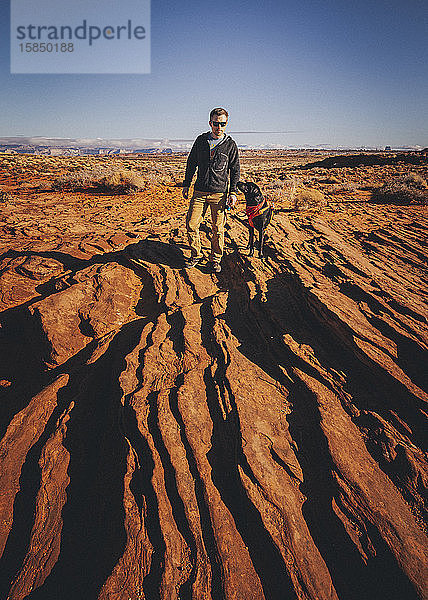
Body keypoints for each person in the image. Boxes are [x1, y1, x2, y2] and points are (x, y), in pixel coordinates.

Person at [182, 107, 240, 273]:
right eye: (216, 123)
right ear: (210, 123)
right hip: (199, 192)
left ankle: (215, 259)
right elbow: (191, 162)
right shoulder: (201, 141)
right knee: (192, 224)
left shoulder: (230, 145)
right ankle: (196, 254)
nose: (219, 127)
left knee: (218, 229)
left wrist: (233, 192)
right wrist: (186, 183)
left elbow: (235, 170)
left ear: (226, 124)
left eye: (222, 124)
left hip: (219, 194)